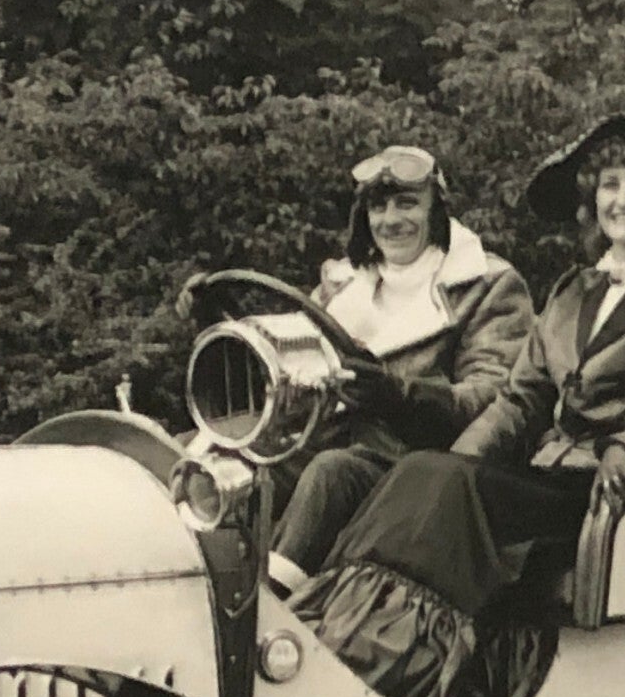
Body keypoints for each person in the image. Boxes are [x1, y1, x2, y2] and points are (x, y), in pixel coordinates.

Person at [291, 113, 625, 697]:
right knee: (426, 472)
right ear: (592, 200)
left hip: (613, 489)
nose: (623, 200)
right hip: (546, 477)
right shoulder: (572, 292)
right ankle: (338, 636)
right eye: (610, 185)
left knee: (446, 483)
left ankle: (389, 666)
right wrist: (456, 462)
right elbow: (519, 402)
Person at [177, 145, 534, 593]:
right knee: (198, 454)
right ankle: (182, 584)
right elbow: (287, 365)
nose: (391, 220)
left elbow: (493, 400)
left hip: (415, 464)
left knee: (331, 474)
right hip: (321, 438)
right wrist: (216, 319)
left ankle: (271, 606)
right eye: (378, 207)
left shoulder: (487, 284)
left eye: (407, 203)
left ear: (436, 211)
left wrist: (396, 394)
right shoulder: (346, 283)